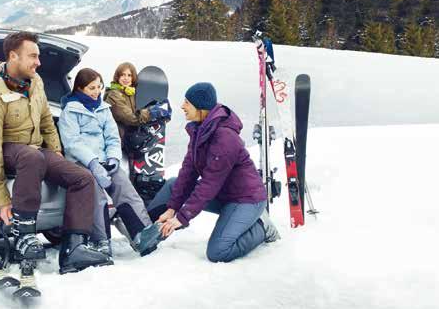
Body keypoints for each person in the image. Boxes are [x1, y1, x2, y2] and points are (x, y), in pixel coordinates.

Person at [0, 31, 112, 274]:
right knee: (31, 156)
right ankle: (23, 235)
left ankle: (74, 247)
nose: (39, 62)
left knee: (82, 178)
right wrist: (2, 200)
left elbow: (47, 121)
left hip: (36, 151)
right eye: (33, 56)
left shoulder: (36, 82)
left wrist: (57, 152)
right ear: (13, 56)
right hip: (10, 151)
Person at [155, 82, 280, 263]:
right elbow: (188, 171)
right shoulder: (199, 129)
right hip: (224, 195)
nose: (182, 106)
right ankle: (148, 233)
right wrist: (172, 208)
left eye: (187, 102)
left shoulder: (225, 137)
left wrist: (182, 217)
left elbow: (209, 184)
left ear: (201, 107)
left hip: (246, 199)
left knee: (218, 251)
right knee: (174, 183)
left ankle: (262, 227)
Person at [57, 68, 164, 257]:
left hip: (106, 160)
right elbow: (72, 143)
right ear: (80, 88)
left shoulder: (103, 108)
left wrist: (113, 158)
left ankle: (142, 232)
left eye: (99, 86)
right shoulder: (70, 111)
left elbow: (113, 137)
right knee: (96, 195)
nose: (96, 91)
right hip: (83, 163)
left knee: (125, 187)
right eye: (91, 88)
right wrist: (93, 163)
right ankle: (101, 240)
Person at [103, 62, 172, 214]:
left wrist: (161, 112)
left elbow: (141, 109)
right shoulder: (114, 95)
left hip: (132, 141)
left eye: (129, 75)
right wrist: (153, 112)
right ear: (117, 76)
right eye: (123, 75)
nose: (126, 78)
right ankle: (127, 212)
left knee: (137, 179)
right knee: (127, 181)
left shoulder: (131, 93)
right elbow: (131, 118)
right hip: (119, 142)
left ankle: (142, 209)